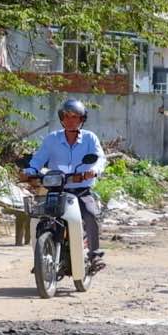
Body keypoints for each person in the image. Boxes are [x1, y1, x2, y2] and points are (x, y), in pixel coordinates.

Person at [22, 98, 107, 266]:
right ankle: (41, 253)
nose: (70, 120)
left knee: (91, 214)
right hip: (56, 190)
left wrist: (94, 171)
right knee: (40, 217)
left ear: (82, 119)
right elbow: (38, 160)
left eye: (75, 117)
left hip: (81, 190)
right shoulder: (51, 139)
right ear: (62, 118)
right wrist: (30, 171)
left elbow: (100, 159)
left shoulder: (90, 139)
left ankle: (94, 254)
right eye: (67, 116)